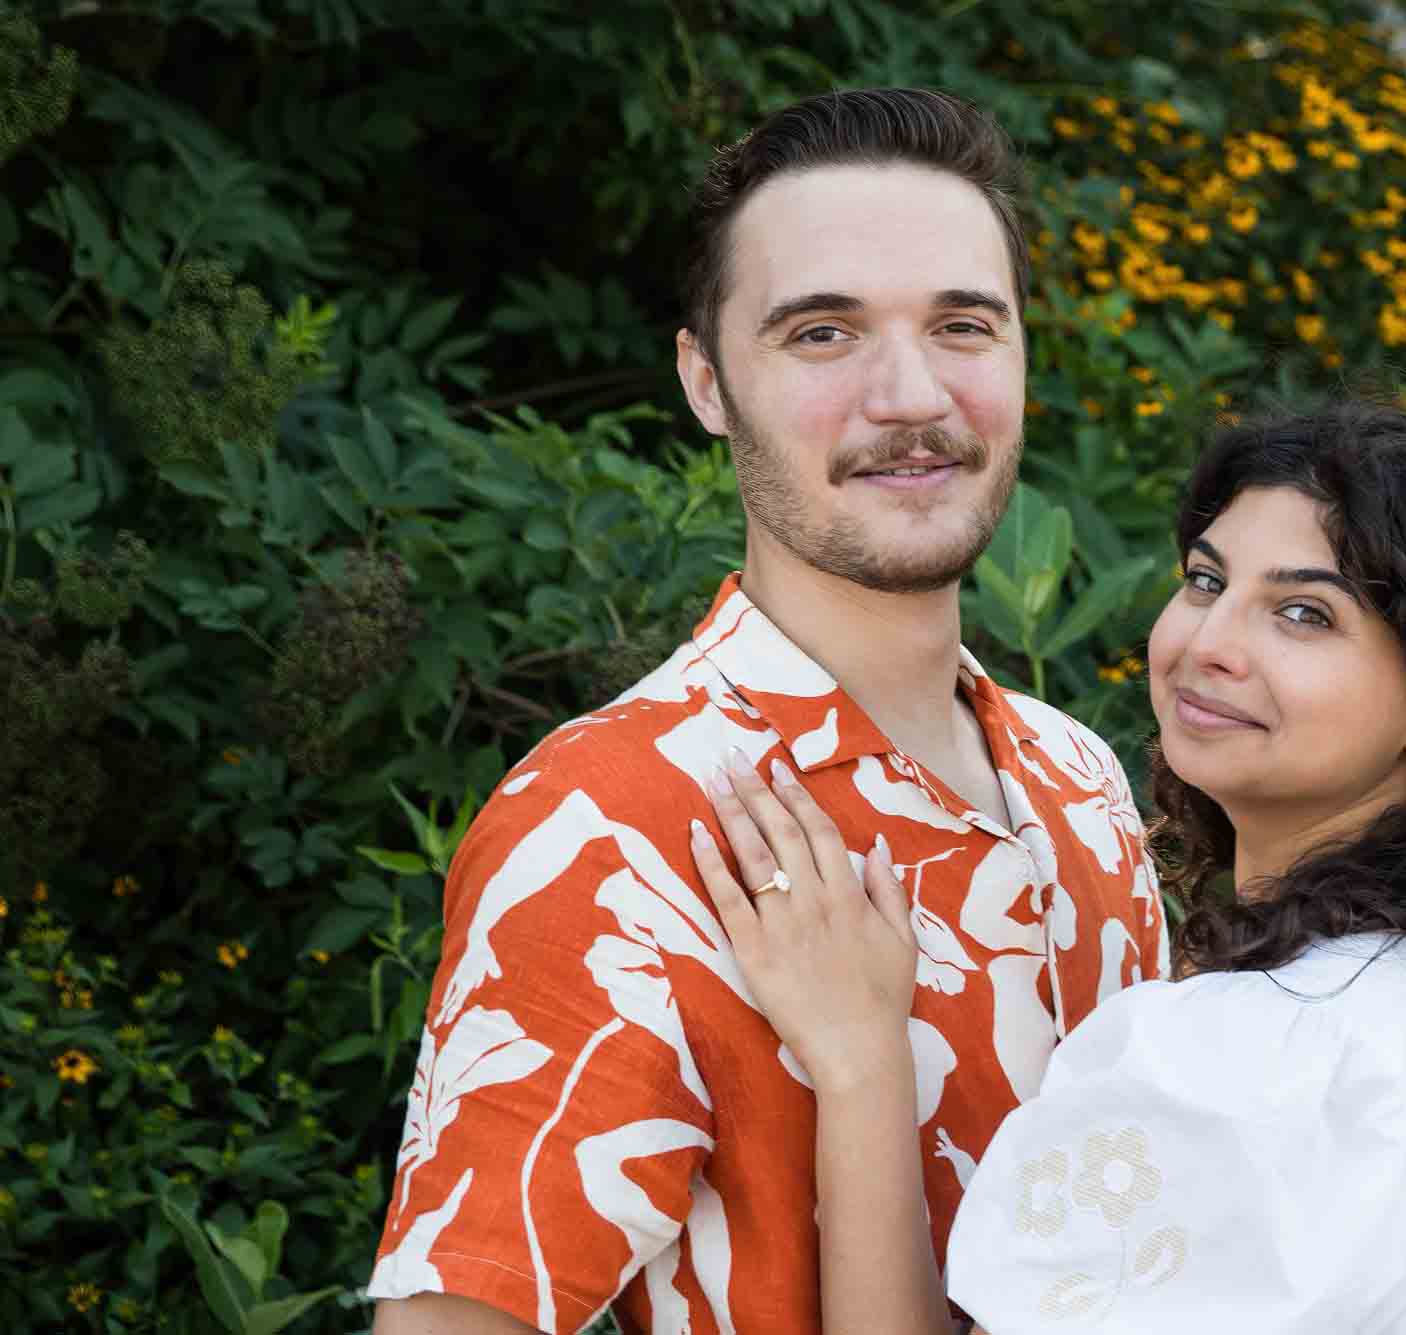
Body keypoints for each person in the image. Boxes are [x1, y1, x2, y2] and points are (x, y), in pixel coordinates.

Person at [367, 88, 1168, 1335]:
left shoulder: (1082, 781)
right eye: (821, 335)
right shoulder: (614, 822)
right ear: (704, 380)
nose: (910, 396)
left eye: (962, 324)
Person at [694, 399, 1406, 1333]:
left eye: (1302, 616)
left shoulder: (1224, 1059)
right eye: (1206, 581)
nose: (1209, 643)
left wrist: (862, 1059)